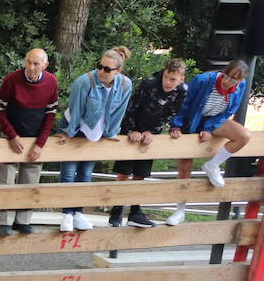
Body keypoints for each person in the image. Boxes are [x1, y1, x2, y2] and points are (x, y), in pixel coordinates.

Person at [55, 46, 133, 232]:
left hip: (96, 133)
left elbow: (119, 111)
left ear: (118, 71)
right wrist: (69, 133)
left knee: (85, 174)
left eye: (107, 69)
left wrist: (111, 132)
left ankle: (79, 213)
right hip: (76, 128)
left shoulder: (125, 85)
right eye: (100, 66)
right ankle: (67, 214)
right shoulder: (85, 81)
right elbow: (76, 110)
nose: (101, 71)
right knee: (68, 173)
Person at [168, 59, 252, 226]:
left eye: (234, 79)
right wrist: (176, 125)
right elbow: (184, 104)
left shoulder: (240, 88)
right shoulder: (204, 80)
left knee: (244, 136)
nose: (228, 81)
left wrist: (209, 128)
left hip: (212, 121)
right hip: (191, 121)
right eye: (226, 75)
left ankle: (212, 165)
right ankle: (180, 210)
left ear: (240, 80)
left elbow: (229, 111)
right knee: (185, 168)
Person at [0, 48, 59, 235]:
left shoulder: (51, 81)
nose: (31, 67)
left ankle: (23, 220)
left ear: (45, 65)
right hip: (11, 136)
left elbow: (51, 113)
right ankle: (4, 222)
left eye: (36, 63)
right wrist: (11, 135)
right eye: (28, 62)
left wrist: (41, 143)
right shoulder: (12, 79)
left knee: (30, 180)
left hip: (35, 138)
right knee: (6, 179)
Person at [114, 58, 187, 228]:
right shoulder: (149, 84)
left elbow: (170, 113)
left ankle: (135, 210)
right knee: (124, 171)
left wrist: (153, 131)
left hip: (151, 132)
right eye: (166, 77)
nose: (168, 82)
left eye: (173, 80)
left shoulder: (182, 92)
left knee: (141, 172)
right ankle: (117, 208)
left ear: (181, 79)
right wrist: (132, 130)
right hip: (132, 128)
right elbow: (130, 108)